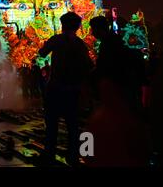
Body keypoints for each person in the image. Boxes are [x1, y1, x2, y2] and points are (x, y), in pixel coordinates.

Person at [85, 16, 149, 166]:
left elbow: (86, 150)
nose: (92, 33)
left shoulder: (99, 119)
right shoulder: (130, 117)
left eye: (93, 29)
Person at [38, 12, 93, 166]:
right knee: (72, 124)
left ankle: (49, 153)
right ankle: (73, 155)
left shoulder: (57, 39)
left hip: (56, 87)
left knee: (52, 123)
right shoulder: (80, 44)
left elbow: (42, 53)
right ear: (77, 27)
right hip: (73, 88)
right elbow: (88, 65)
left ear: (62, 25)